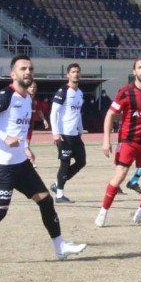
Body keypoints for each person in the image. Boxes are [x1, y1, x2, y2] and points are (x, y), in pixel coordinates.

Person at [0, 55, 86, 266]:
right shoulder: (6, 95)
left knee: (46, 200)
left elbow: (19, 129)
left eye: (30, 69)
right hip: (1, 166)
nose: (28, 72)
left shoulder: (27, 99)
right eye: (23, 68)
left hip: (20, 164)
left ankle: (60, 246)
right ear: (13, 74)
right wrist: (4, 137)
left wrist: (26, 148)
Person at [96, 57, 141, 227]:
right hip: (128, 141)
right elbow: (109, 115)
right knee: (120, 175)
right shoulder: (125, 92)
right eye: (139, 67)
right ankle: (103, 212)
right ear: (134, 72)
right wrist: (106, 140)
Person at [48, 63, 86, 204]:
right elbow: (53, 113)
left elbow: (78, 113)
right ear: (68, 75)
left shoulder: (80, 93)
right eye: (73, 72)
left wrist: (81, 128)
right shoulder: (63, 91)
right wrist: (55, 133)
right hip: (63, 134)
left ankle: (57, 184)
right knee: (65, 163)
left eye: (77, 71)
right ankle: (59, 195)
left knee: (81, 161)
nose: (75, 74)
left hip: (75, 134)